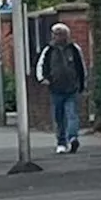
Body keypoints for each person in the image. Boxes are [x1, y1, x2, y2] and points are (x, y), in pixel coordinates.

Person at [36, 22, 87, 154]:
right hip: (56, 88)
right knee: (59, 117)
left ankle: (72, 138)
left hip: (72, 88)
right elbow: (41, 65)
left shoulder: (74, 49)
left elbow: (81, 66)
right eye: (56, 34)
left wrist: (82, 83)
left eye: (61, 34)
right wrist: (43, 79)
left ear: (67, 35)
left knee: (72, 114)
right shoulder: (48, 50)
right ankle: (61, 142)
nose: (58, 36)